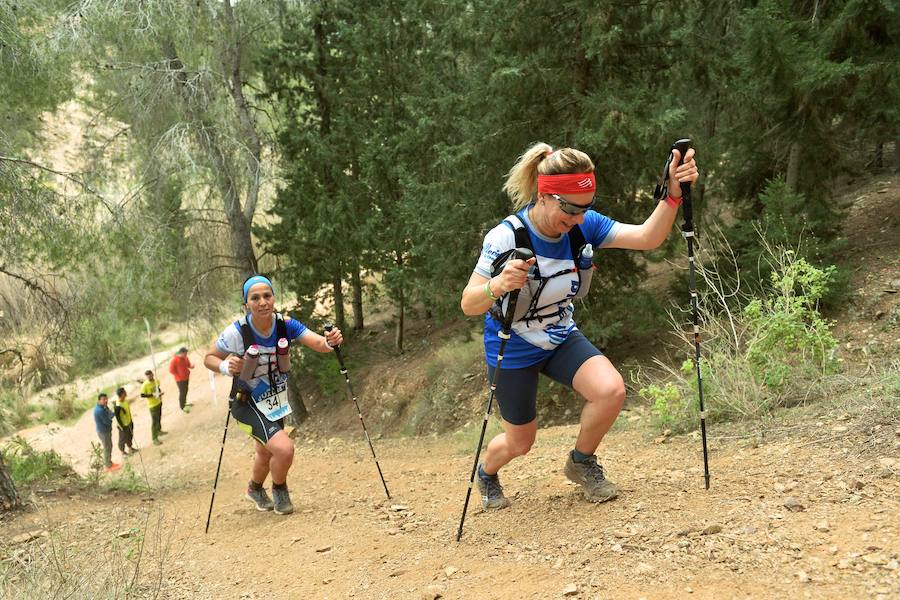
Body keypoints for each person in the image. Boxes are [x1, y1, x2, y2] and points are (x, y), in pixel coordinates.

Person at [460, 142, 698, 509]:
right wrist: (498, 285)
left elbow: (648, 237)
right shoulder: (506, 237)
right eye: (569, 209)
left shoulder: (582, 225)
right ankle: (487, 473)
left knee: (611, 390)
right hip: (514, 343)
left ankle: (581, 462)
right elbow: (468, 303)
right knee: (521, 442)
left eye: (585, 209)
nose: (578, 218)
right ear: (544, 195)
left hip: (559, 334)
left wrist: (673, 195)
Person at [203, 275, 343, 516]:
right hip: (246, 403)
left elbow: (319, 343)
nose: (262, 302)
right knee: (284, 449)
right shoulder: (237, 331)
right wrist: (226, 367)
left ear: (274, 298)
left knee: (265, 452)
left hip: (274, 402)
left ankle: (254, 489)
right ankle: (279, 488)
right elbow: (209, 358)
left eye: (267, 296)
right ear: (246, 303)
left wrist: (331, 342)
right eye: (255, 298)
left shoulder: (285, 325)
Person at [93, 393, 120, 472]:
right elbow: (108, 421)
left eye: (106, 399)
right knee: (107, 448)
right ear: (99, 400)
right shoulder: (99, 410)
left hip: (105, 431)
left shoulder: (103, 407)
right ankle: (108, 466)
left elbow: (110, 414)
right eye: (103, 399)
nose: (106, 400)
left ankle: (109, 463)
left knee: (109, 446)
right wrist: (112, 415)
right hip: (103, 432)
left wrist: (112, 413)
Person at [140, 370, 165, 445]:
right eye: (147, 376)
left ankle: (159, 430)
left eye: (150, 375)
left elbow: (158, 388)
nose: (149, 377)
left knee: (159, 417)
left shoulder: (156, 381)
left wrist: (160, 394)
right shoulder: (145, 385)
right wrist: (152, 395)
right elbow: (142, 395)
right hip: (152, 405)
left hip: (158, 402)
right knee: (154, 421)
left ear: (152, 374)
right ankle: (154, 438)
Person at [112, 387, 138, 455]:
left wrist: (130, 421)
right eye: (124, 392)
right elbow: (117, 418)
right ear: (122, 394)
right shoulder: (117, 405)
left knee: (130, 436)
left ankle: (130, 448)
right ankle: (123, 452)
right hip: (123, 425)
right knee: (122, 439)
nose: (126, 393)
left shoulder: (125, 401)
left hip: (129, 422)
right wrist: (122, 427)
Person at [169, 347, 194, 412]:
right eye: (185, 353)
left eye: (186, 353)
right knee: (182, 392)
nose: (186, 355)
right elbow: (171, 370)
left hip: (186, 377)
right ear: (181, 353)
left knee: (186, 390)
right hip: (179, 380)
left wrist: (191, 366)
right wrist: (179, 375)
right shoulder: (175, 360)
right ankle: (182, 406)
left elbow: (188, 365)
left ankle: (185, 403)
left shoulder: (185, 358)